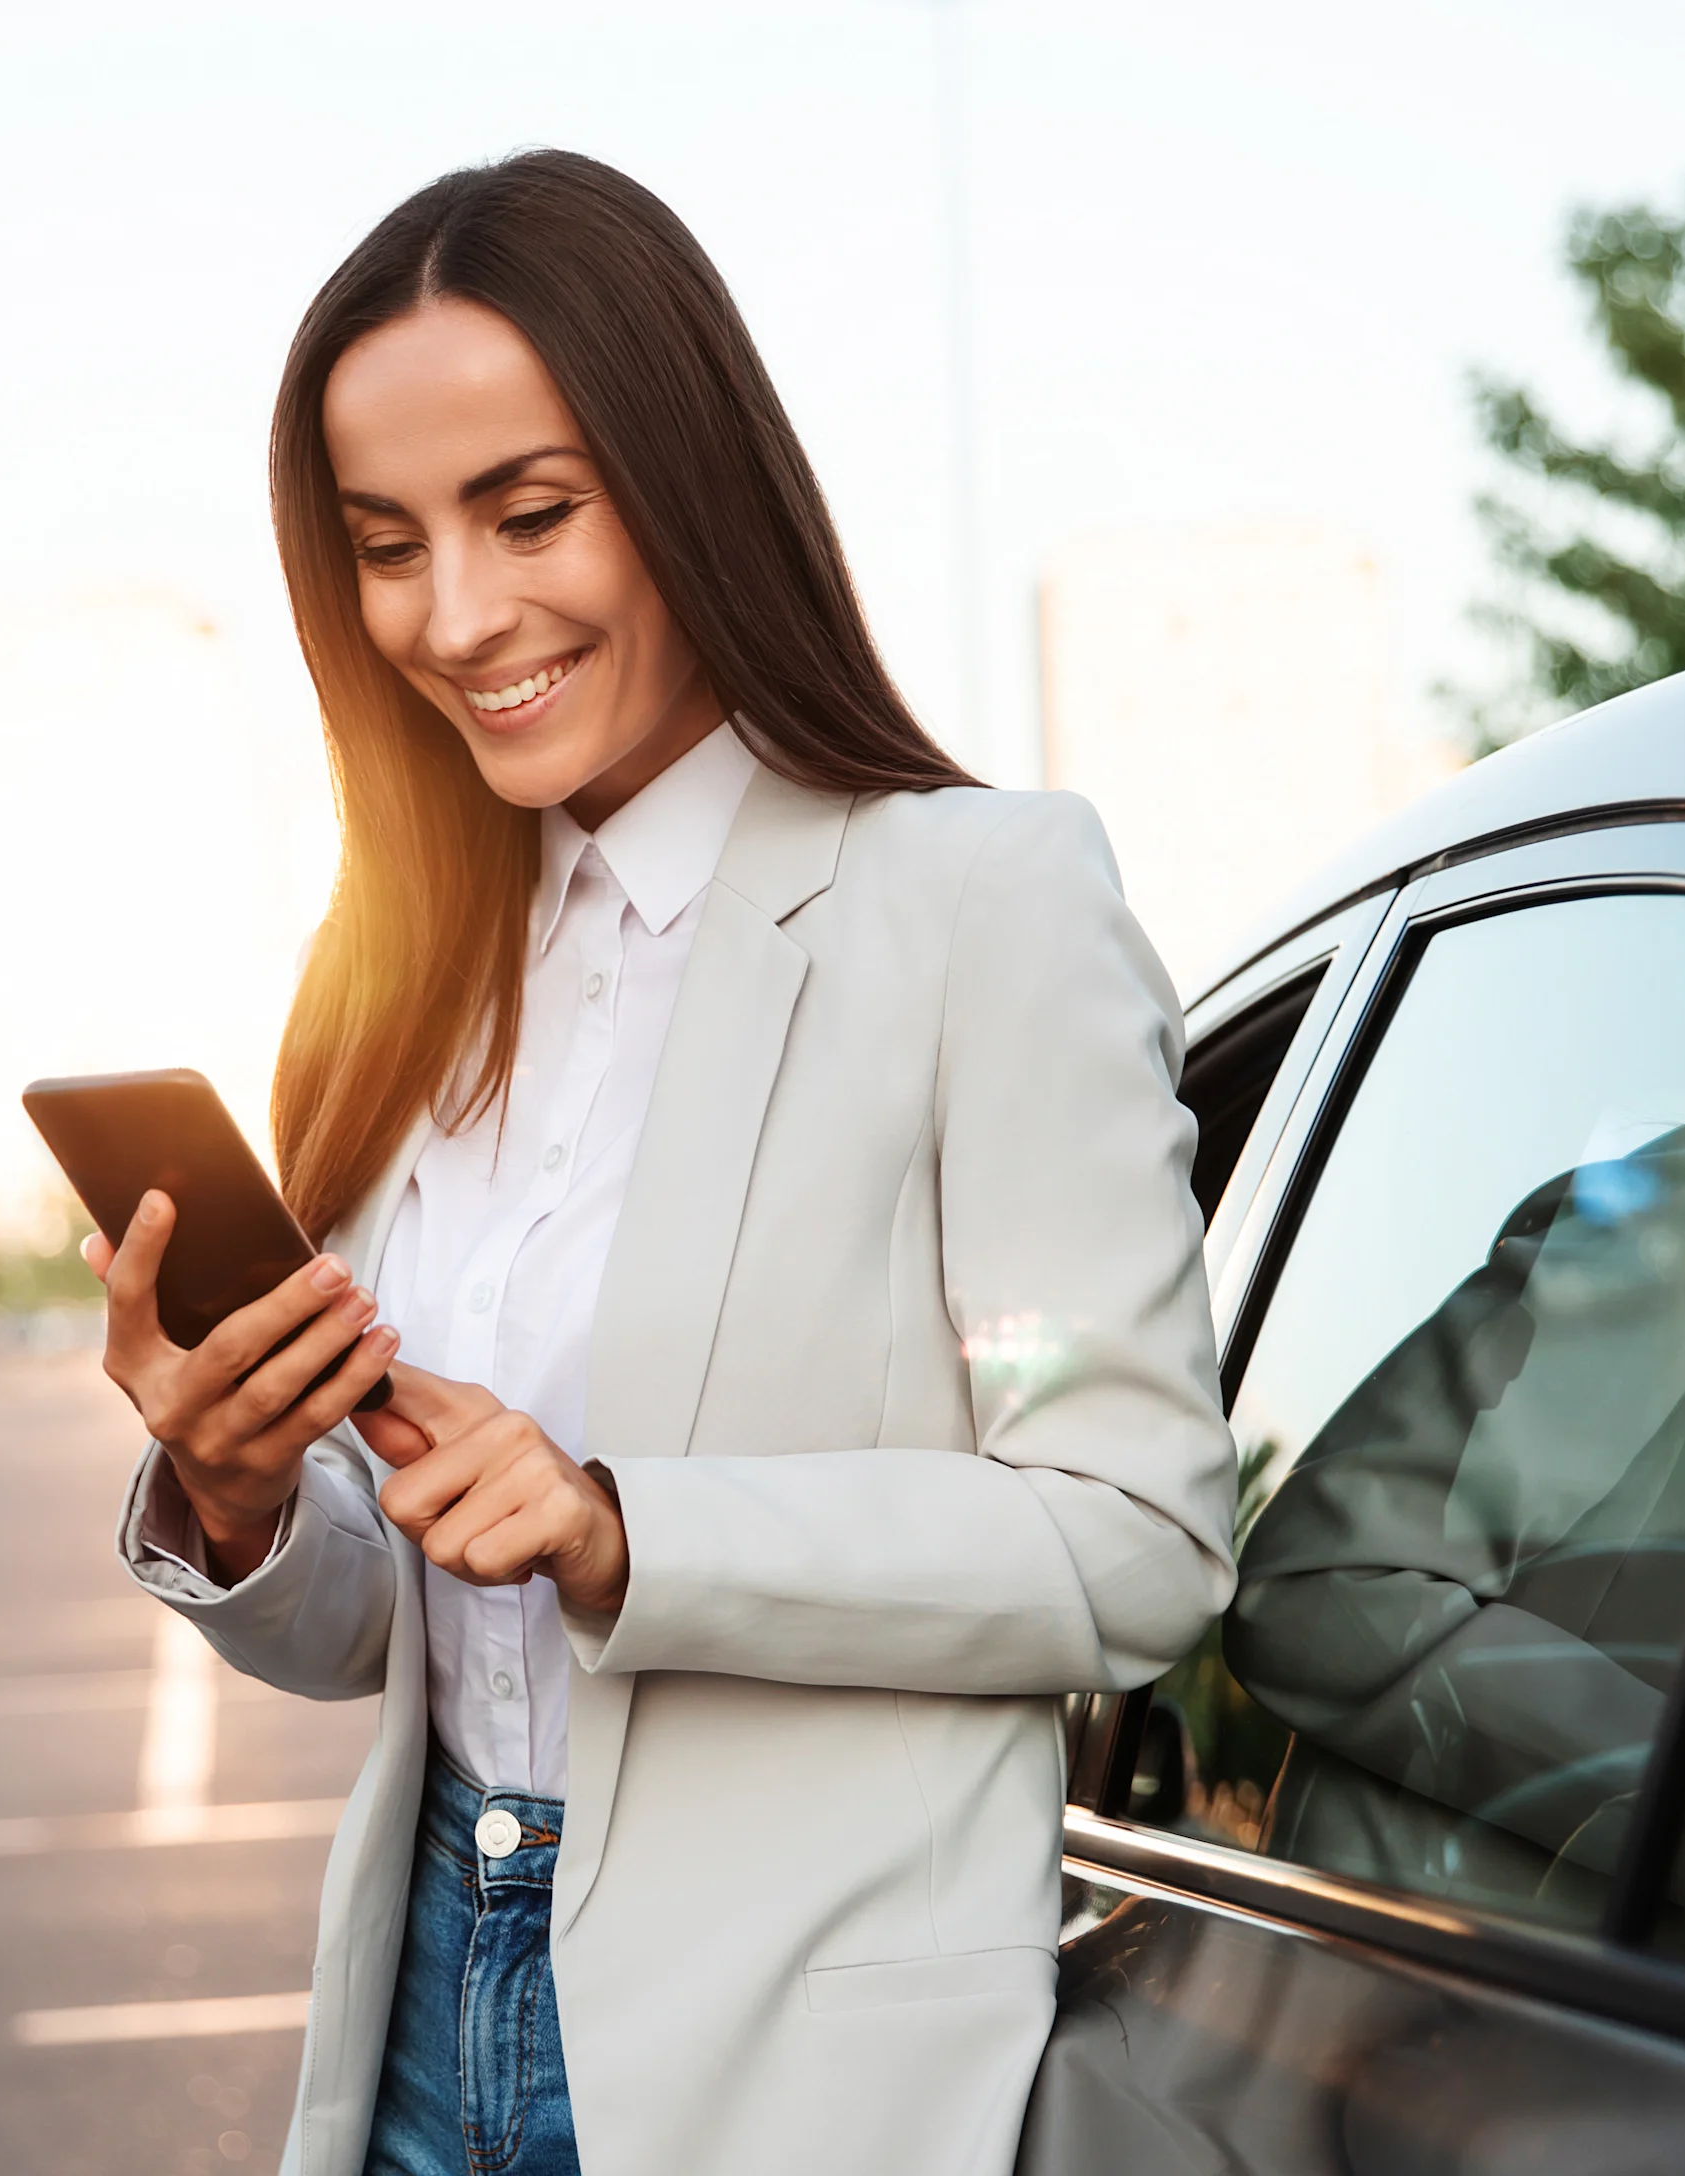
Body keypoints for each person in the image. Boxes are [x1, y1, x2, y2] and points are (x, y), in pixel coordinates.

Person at [81, 151, 1233, 2176]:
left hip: (801, 2065)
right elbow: (390, 1627)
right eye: (386, 542)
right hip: (431, 2009)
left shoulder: (976, 906)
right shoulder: (404, 985)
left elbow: (1126, 1531)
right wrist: (244, 1493)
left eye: (530, 514)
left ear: (690, 477)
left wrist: (629, 1528)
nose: (458, 614)